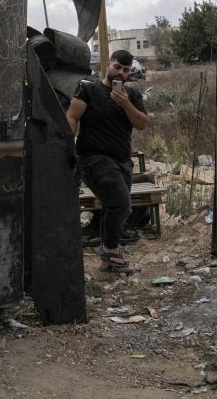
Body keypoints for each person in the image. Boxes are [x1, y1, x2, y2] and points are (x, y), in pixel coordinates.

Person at [66, 49, 149, 272]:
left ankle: (105, 262)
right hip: (93, 158)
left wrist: (125, 104)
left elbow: (142, 123)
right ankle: (111, 252)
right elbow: (72, 117)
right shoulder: (89, 89)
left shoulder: (131, 96)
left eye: (126, 70)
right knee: (121, 204)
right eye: (117, 67)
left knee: (115, 206)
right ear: (108, 65)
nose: (121, 73)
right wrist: (67, 149)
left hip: (122, 161)